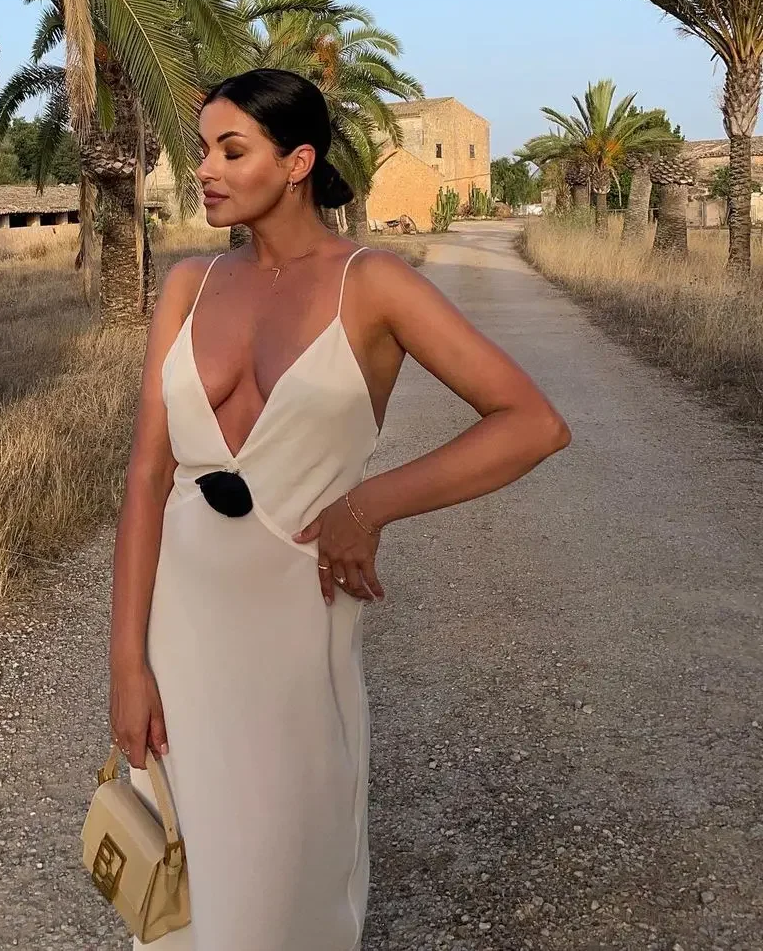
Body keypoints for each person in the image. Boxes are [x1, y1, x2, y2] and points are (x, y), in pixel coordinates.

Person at [108, 68, 570, 950]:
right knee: (180, 896)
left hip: (297, 627)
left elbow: (532, 423)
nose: (203, 169)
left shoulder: (374, 284)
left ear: (297, 163)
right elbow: (145, 477)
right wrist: (128, 663)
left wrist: (372, 503)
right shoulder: (189, 286)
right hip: (182, 626)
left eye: (231, 150)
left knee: (286, 884)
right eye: (203, 150)